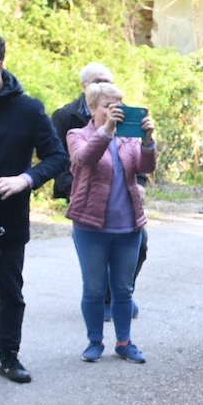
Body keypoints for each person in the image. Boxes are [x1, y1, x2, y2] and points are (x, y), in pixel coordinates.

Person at [65, 80, 155, 364]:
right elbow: (85, 159)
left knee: (123, 289)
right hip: (90, 227)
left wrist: (149, 140)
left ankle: (124, 342)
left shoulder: (129, 138)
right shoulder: (77, 134)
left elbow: (146, 167)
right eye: (109, 105)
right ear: (93, 107)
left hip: (128, 226)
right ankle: (94, 342)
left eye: (120, 105)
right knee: (93, 288)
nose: (117, 110)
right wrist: (106, 131)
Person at [52, 62, 147, 321]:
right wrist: (73, 187)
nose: (103, 86)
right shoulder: (66, 117)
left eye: (107, 80)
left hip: (123, 203)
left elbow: (136, 159)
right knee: (95, 262)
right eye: (97, 81)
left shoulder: (125, 120)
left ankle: (118, 296)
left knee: (141, 245)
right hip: (83, 191)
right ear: (85, 88)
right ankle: (102, 303)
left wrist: (141, 179)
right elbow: (62, 156)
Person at [0, 35, 69, 383]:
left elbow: (57, 157)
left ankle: (8, 356)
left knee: (9, 290)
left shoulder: (29, 109)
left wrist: (24, 179)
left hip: (9, 217)